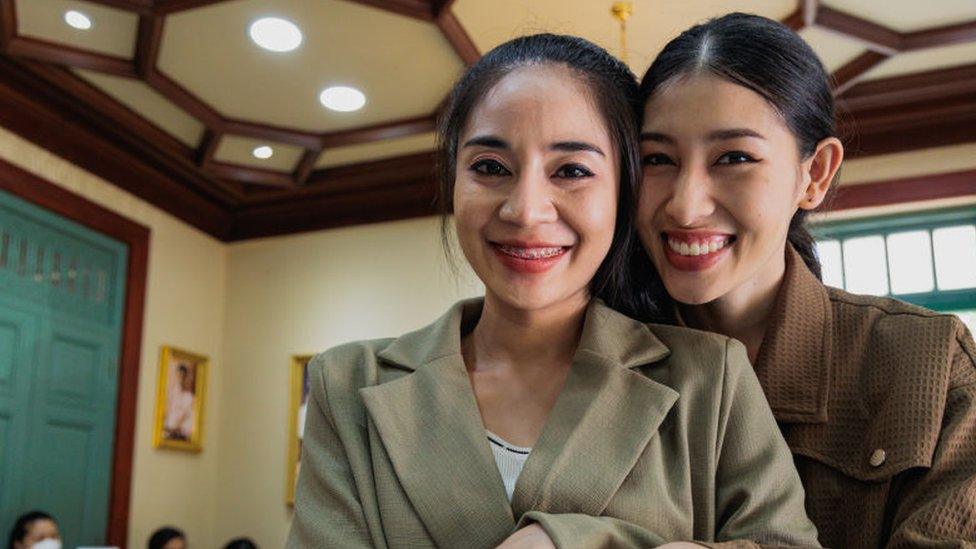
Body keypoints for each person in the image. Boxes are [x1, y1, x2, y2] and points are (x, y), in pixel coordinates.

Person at [287, 33, 819, 548]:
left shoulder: (709, 377)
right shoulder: (347, 384)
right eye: (490, 167)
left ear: (624, 194)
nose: (525, 209)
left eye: (571, 170)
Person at [626, 12, 976, 547]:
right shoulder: (596, 365)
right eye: (658, 159)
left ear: (814, 174)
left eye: (734, 157)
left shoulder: (927, 364)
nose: (685, 204)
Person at [164, 363, 195, 440]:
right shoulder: (172, 393)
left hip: (180, 429)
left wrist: (175, 427)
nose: (180, 379)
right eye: (178, 376)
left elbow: (185, 415)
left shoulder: (189, 397)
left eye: (182, 376)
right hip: (171, 427)